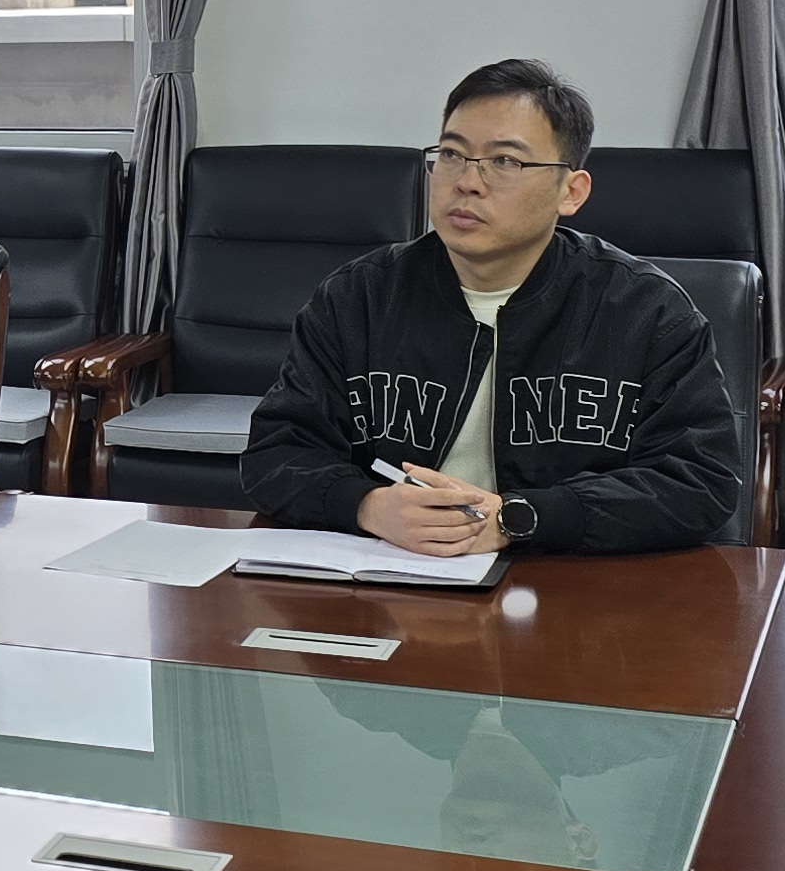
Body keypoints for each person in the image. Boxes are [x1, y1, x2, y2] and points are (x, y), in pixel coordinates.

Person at [241, 58, 739, 557]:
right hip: (393, 569)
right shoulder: (359, 297)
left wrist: (519, 518)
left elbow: (701, 482)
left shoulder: (646, 311)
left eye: (504, 161)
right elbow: (276, 453)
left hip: (565, 577)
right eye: (452, 154)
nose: (467, 181)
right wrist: (367, 506)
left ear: (571, 191)